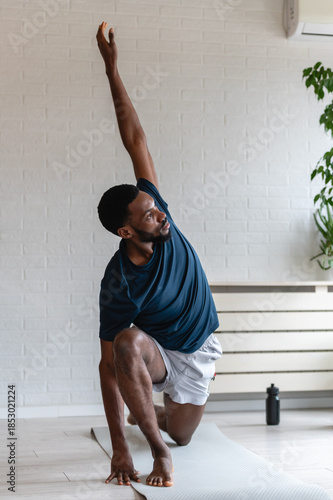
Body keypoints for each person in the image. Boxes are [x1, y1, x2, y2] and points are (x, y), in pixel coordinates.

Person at [96, 21, 222, 488]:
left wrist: (112, 68)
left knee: (185, 433)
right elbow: (108, 366)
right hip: (157, 354)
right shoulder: (119, 284)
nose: (162, 217)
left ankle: (158, 420)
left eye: (157, 208)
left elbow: (135, 137)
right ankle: (158, 451)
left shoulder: (156, 210)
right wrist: (120, 448)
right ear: (126, 231)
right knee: (126, 343)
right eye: (149, 217)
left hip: (201, 345)